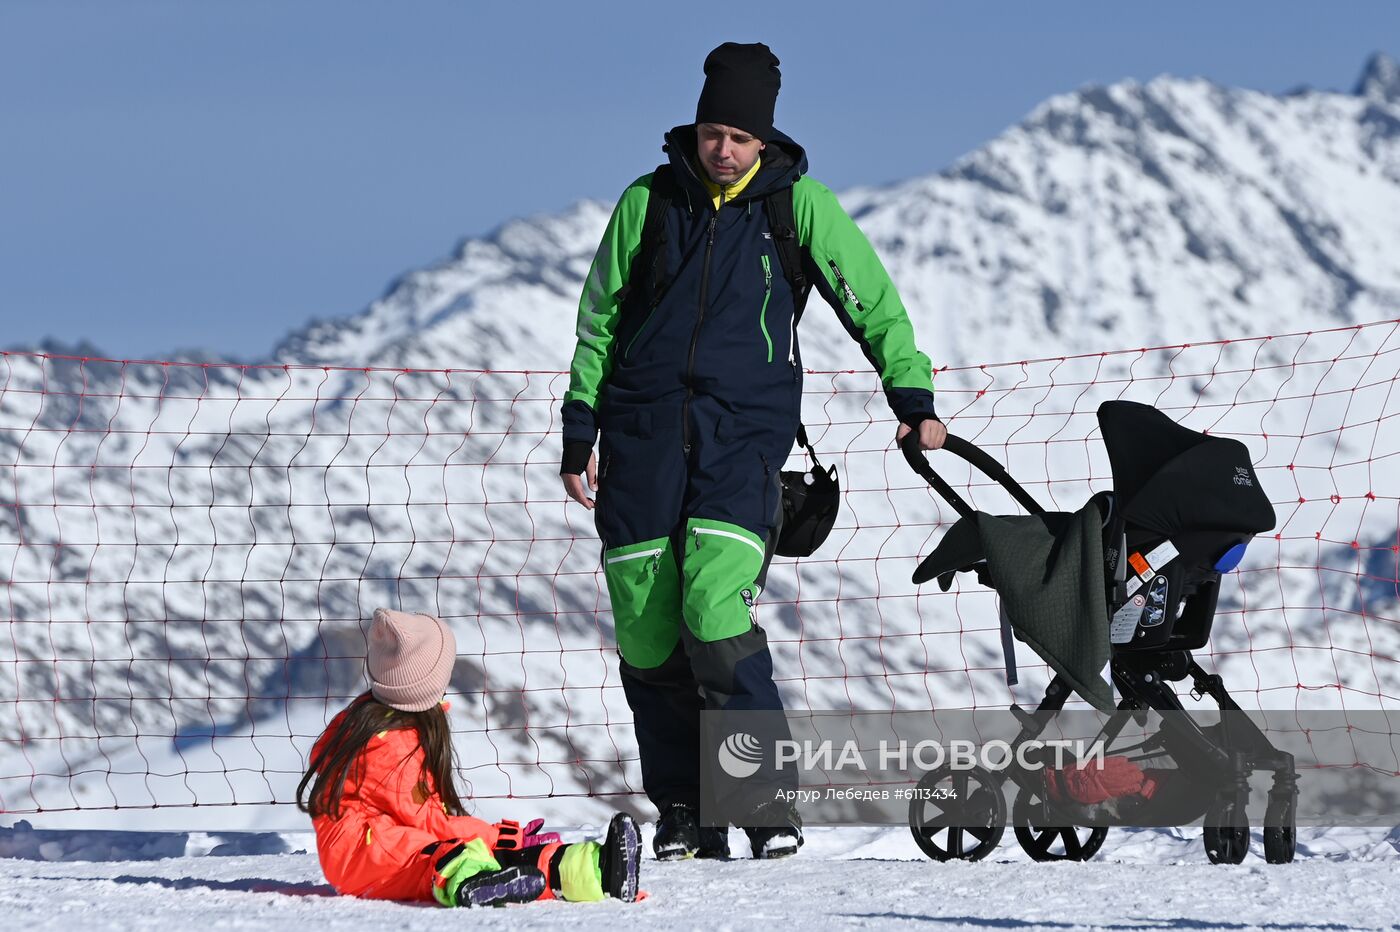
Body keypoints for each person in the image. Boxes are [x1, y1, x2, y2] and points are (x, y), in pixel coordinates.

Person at [559, 41, 945, 862]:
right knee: (646, 625)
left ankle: (766, 798)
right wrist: (581, 426)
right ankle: (684, 812)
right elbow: (599, 321)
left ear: (763, 139)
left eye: (739, 135)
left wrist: (912, 399)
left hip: (744, 435)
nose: (723, 148)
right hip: (640, 435)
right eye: (712, 131)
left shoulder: (797, 206)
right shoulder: (648, 201)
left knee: (712, 604)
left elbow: (872, 303)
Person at [298, 608, 642, 907]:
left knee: (483, 853)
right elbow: (430, 823)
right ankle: (471, 885)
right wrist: (500, 837)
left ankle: (598, 868)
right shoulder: (391, 748)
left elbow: (426, 819)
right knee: (451, 856)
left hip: (381, 841)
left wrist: (505, 841)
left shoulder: (378, 726)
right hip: (362, 856)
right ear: (423, 684)